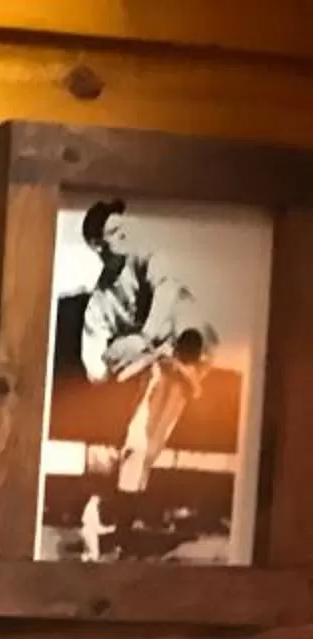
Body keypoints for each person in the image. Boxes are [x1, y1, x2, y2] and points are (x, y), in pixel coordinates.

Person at [71, 198, 214, 559]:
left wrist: (145, 338)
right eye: (115, 233)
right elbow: (96, 365)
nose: (125, 236)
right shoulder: (100, 302)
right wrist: (118, 356)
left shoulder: (148, 257)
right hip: (157, 371)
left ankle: (121, 533)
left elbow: (166, 292)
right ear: (97, 245)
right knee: (139, 450)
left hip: (190, 349)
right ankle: (122, 535)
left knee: (141, 448)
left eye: (125, 228)